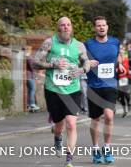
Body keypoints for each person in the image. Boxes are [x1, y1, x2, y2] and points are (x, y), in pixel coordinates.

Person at [33, 17, 90, 167]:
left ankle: (69, 159)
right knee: (59, 125)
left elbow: (87, 63)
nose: (65, 27)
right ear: (58, 28)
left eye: (68, 25)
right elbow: (34, 62)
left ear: (71, 28)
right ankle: (57, 137)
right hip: (54, 90)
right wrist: (53, 64)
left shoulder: (79, 46)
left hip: (73, 89)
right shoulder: (49, 43)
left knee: (71, 124)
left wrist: (81, 70)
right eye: (62, 25)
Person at [84, 16, 122, 164]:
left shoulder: (115, 42)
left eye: (103, 25)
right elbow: (80, 60)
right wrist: (87, 62)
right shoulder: (88, 44)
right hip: (94, 86)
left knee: (109, 116)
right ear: (95, 28)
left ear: (107, 27)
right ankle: (95, 148)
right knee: (95, 119)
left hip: (110, 85)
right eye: (98, 25)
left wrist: (120, 64)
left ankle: (107, 147)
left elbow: (117, 55)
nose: (101, 27)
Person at [117, 48, 131, 118]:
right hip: (119, 81)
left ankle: (128, 103)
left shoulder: (127, 60)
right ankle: (124, 110)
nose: (121, 54)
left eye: (122, 53)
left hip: (126, 79)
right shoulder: (116, 62)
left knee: (127, 95)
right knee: (121, 97)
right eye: (120, 53)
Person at [25, 46, 40, 111]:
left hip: (26, 76)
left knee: (29, 90)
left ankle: (28, 104)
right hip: (30, 76)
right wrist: (36, 76)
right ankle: (32, 104)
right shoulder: (29, 58)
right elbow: (32, 68)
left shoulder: (24, 57)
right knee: (32, 90)